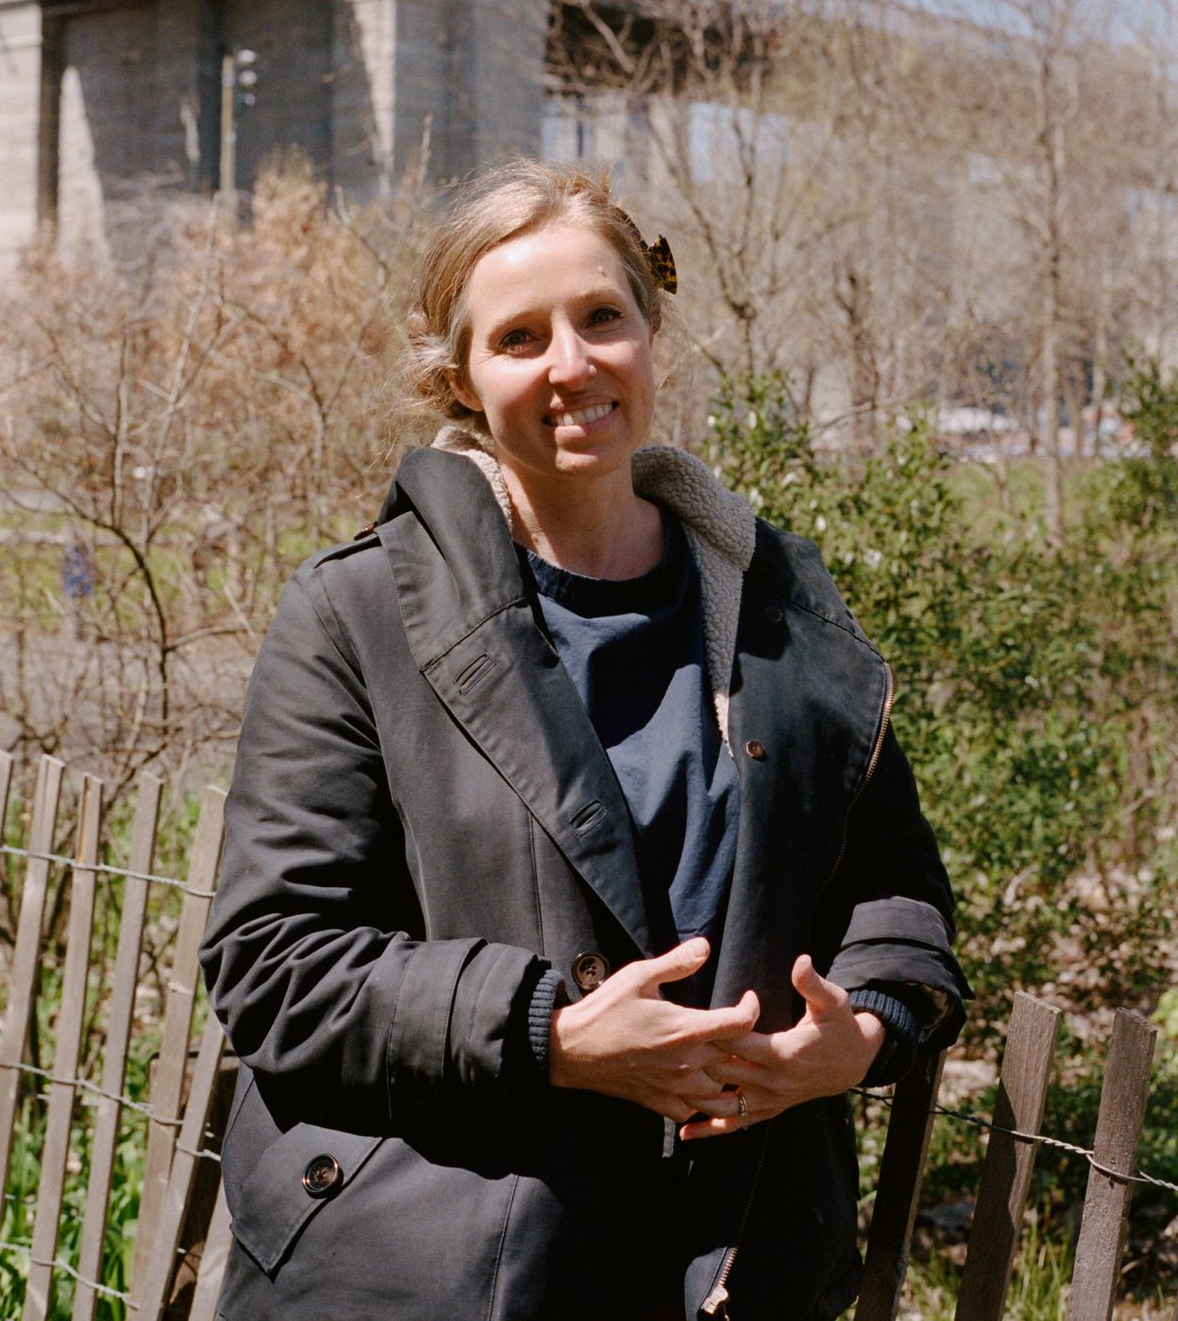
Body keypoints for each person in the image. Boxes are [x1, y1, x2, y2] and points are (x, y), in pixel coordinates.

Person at [199, 159, 968, 1321]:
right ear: (459, 376)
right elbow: (273, 962)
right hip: (434, 1268)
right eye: (520, 337)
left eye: (602, 317)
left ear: (651, 334)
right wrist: (547, 1033)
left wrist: (860, 1032)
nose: (573, 364)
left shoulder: (782, 613)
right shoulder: (357, 615)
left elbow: (894, 888)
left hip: (731, 1265)